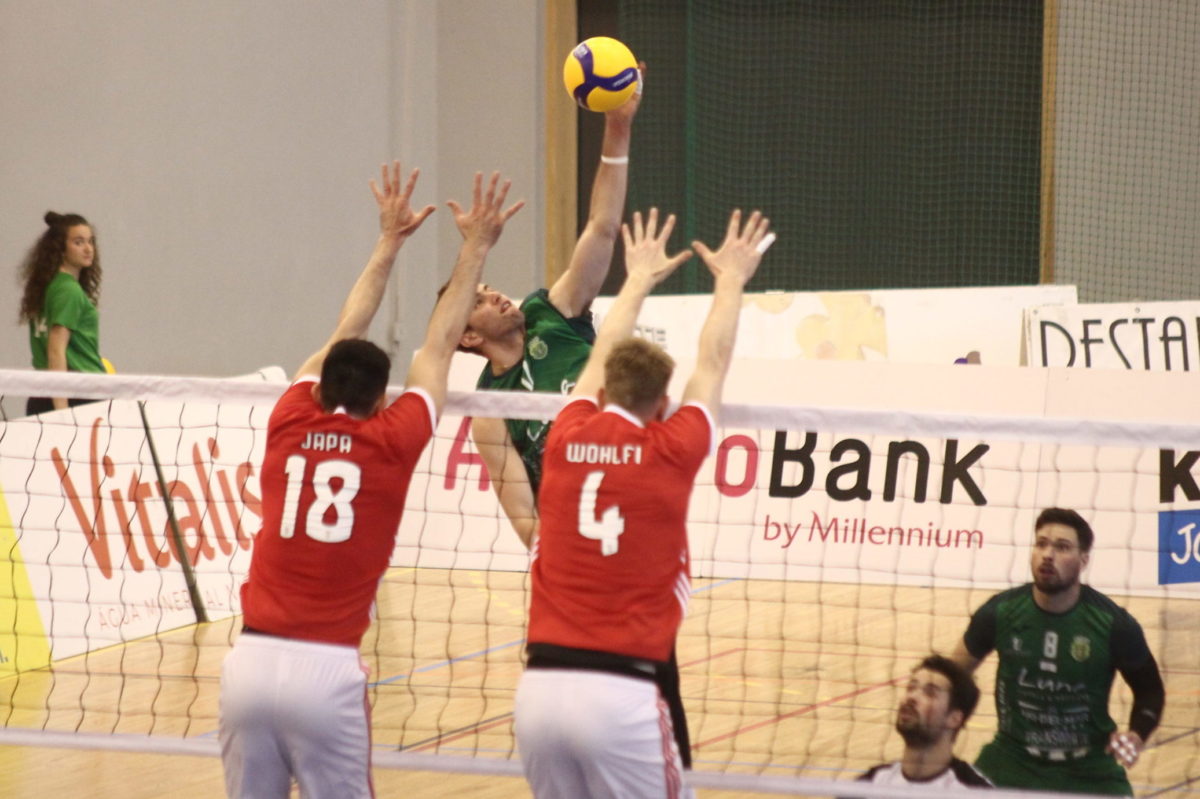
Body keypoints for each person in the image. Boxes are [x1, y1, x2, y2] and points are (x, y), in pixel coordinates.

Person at [218, 163, 523, 799]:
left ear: (318, 384)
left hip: (248, 665)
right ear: (382, 399)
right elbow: (439, 346)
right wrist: (476, 246)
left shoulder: (289, 417)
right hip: (326, 671)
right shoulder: (392, 439)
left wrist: (388, 240)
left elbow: (346, 330)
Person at [513, 207, 772, 799]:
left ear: (602, 393)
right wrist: (731, 280)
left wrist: (636, 279)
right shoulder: (674, 447)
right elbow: (713, 362)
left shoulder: (565, 436)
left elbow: (603, 349)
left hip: (539, 691)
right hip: (622, 694)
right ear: (662, 406)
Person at [464, 66, 644, 550]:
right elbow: (524, 516)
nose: (496, 295)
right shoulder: (489, 410)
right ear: (469, 337)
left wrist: (618, 128)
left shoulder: (553, 313)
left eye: (489, 287)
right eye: (479, 301)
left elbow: (601, 228)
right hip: (574, 539)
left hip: (639, 504)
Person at [951, 507, 1166, 796]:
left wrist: (1137, 734)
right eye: (1041, 544)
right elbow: (951, 675)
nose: (1047, 555)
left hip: (1089, 767)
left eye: (1062, 547)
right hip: (1010, 759)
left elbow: (1150, 691)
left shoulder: (1114, 624)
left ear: (1083, 560)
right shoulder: (999, 612)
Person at [854, 655, 992, 790]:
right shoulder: (871, 784)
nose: (911, 697)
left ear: (954, 718)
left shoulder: (975, 793)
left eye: (930, 693)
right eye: (911, 688)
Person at [17, 211, 106, 414]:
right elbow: (56, 349)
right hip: (76, 393)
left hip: (43, 392)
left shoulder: (48, 286)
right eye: (78, 242)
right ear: (61, 249)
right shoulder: (68, 290)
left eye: (90, 241)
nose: (88, 248)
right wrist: (62, 412)